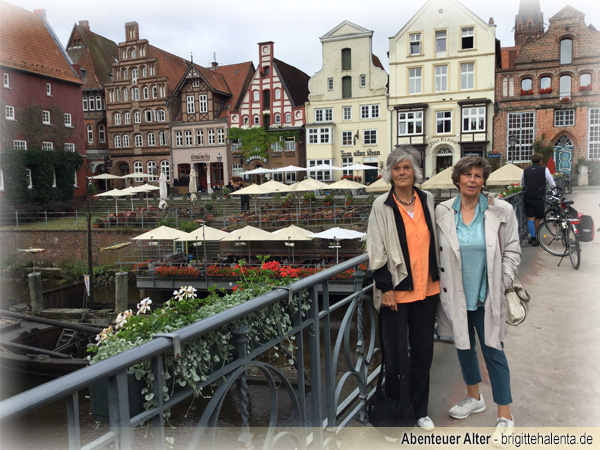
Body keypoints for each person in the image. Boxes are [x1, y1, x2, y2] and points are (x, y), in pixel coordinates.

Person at [435, 156, 521, 447]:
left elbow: (512, 250)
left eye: (478, 175)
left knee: (494, 352)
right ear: (457, 178)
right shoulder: (443, 211)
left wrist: (503, 280)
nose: (472, 180)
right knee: (463, 347)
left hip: (488, 295)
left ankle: (505, 415)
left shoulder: (501, 209)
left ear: (485, 181)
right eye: (467, 174)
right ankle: (474, 398)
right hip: (456, 294)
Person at [367, 145, 440, 434]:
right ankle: (399, 413)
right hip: (396, 292)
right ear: (389, 173)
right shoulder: (381, 206)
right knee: (396, 357)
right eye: (396, 168)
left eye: (406, 167)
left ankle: (420, 411)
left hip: (428, 289)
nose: (401, 173)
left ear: (415, 172)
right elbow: (376, 249)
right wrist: (385, 288)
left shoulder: (428, 199)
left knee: (423, 353)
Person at [522, 153, 556, 246]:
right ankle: (535, 237)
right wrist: (554, 192)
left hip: (528, 196)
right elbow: (551, 183)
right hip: (539, 197)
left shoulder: (525, 170)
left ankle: (532, 236)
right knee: (537, 218)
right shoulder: (544, 169)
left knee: (530, 217)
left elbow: (523, 183)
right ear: (540, 161)